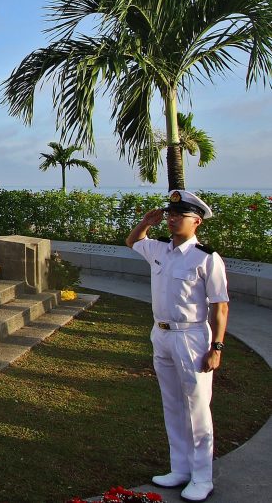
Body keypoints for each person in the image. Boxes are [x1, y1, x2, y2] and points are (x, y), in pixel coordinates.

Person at [126, 190, 229, 502]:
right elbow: (132, 242)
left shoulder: (206, 258)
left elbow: (220, 306)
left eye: (179, 216)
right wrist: (145, 222)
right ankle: (180, 468)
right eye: (170, 214)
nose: (172, 219)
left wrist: (217, 347)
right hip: (161, 334)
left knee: (197, 408)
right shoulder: (159, 250)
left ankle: (202, 477)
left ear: (196, 221)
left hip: (192, 337)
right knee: (172, 404)